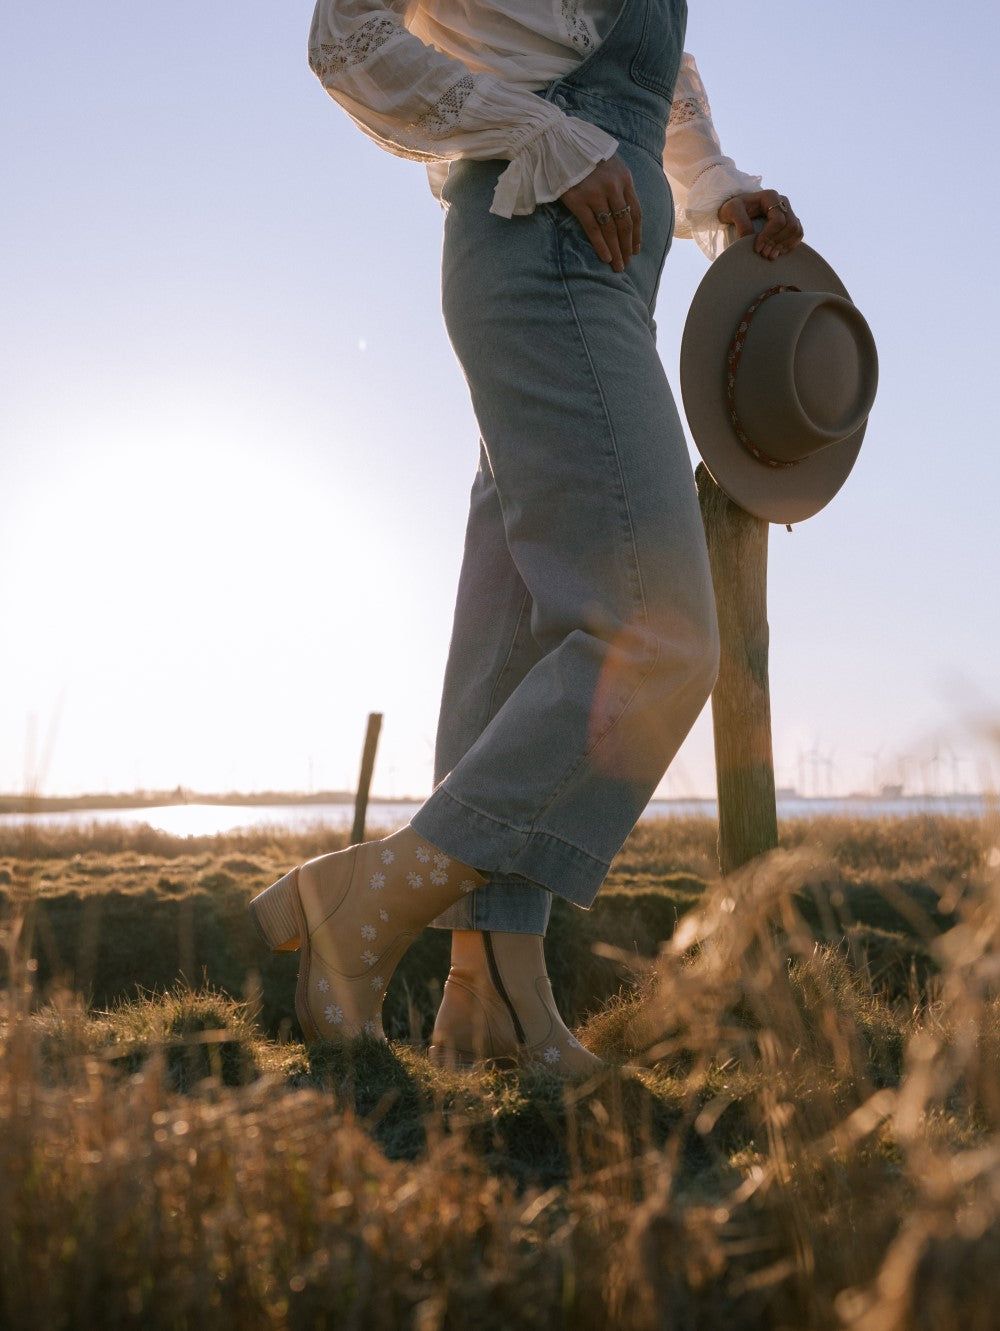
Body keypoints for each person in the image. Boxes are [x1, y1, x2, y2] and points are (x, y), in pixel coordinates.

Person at [249, 0, 804, 1074]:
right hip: (542, 240)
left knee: (515, 648)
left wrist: (719, 192)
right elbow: (346, 35)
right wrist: (543, 136)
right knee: (660, 633)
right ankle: (369, 897)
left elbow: (643, 75)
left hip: (595, 266)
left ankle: (493, 998)